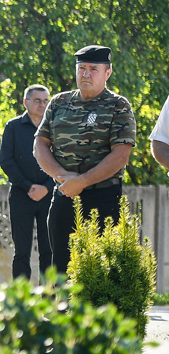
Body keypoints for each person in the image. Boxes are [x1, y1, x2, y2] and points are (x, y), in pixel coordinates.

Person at [34, 45, 135, 275]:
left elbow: (121, 155)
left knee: (102, 269)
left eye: (93, 69)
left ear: (107, 73)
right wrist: (63, 177)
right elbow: (39, 145)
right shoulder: (59, 102)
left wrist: (83, 181)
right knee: (60, 266)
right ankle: (61, 310)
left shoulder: (118, 106)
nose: (86, 74)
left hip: (104, 198)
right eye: (82, 68)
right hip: (65, 194)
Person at [0, 85, 55, 279]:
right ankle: (21, 303)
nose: (42, 105)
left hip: (49, 196)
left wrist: (47, 188)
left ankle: (48, 299)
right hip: (21, 195)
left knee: (49, 251)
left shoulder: (54, 127)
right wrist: (28, 186)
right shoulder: (13, 127)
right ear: (26, 102)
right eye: (38, 100)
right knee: (21, 252)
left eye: (46, 100)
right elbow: (6, 161)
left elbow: (63, 161)